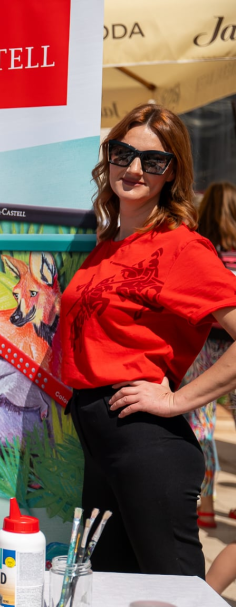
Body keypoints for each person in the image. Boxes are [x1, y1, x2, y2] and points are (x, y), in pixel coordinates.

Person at [59, 104, 236, 577]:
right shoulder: (107, 245)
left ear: (171, 173)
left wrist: (178, 401)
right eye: (124, 153)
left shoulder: (182, 247)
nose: (134, 169)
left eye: (153, 161)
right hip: (101, 445)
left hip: (146, 446)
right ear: (109, 156)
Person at [182, 181, 236, 527]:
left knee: (202, 426)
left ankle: (205, 502)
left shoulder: (202, 252)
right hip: (234, 344)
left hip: (205, 345)